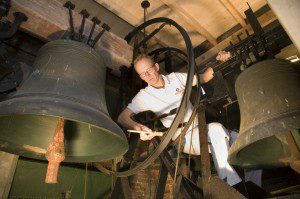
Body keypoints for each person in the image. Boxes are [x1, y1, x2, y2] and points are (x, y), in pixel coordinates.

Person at [117, 51, 255, 187]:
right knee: (216, 129)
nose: (147, 75)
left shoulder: (176, 78)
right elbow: (122, 117)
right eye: (142, 74)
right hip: (183, 137)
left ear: (157, 67)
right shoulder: (144, 96)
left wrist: (219, 60)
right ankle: (234, 187)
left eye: (149, 70)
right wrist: (138, 128)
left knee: (246, 144)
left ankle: (253, 187)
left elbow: (204, 77)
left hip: (200, 128)